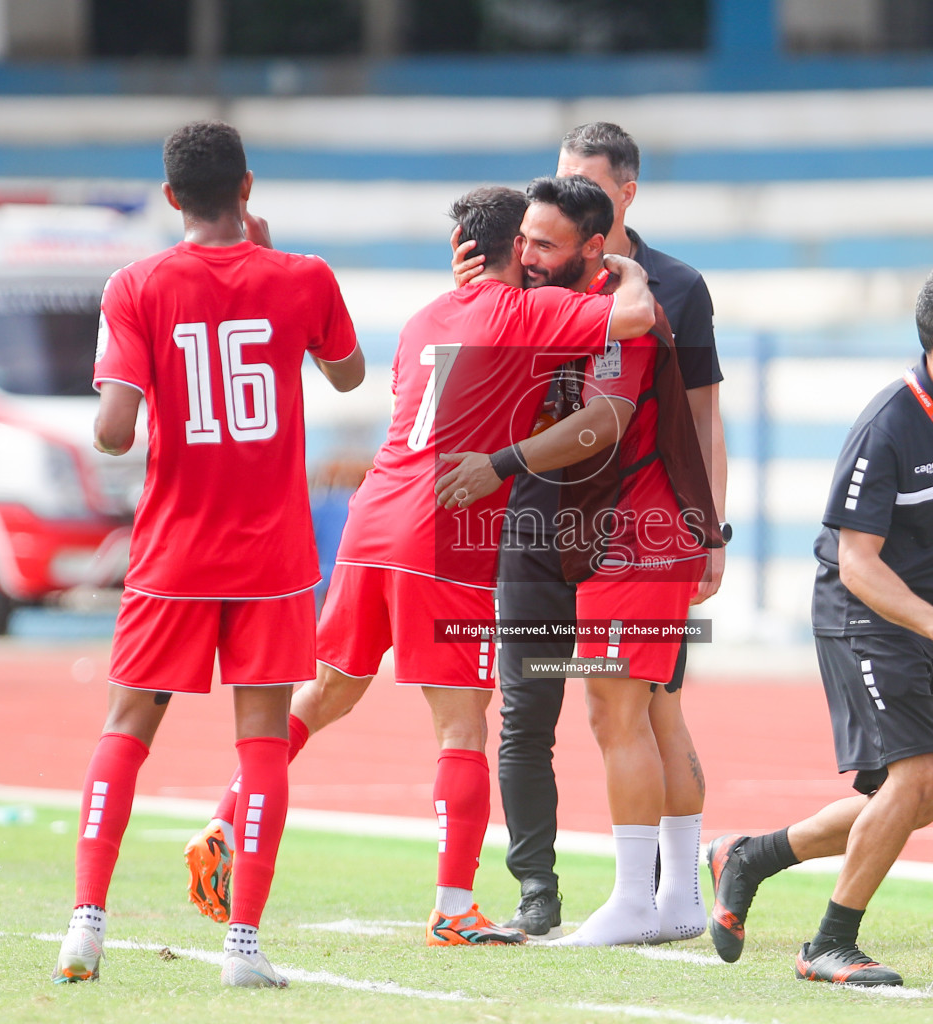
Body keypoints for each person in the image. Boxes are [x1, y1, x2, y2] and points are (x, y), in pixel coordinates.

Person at [183, 182, 658, 946]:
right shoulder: (527, 310)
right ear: (512, 249)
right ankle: (452, 903)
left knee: (329, 692)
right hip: (441, 533)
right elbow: (635, 315)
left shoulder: (422, 319)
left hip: (371, 520)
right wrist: (629, 268)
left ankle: (225, 817)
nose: (537, 257)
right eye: (530, 244)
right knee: (463, 726)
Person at [53, 120, 365, 989]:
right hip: (270, 557)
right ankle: (242, 947)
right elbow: (348, 375)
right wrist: (276, 270)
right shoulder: (304, 279)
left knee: (127, 731)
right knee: (262, 746)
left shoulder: (136, 285)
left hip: (172, 555)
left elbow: (115, 433)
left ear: (169, 199)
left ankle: (85, 922)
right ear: (248, 188)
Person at [704, 265, 933, 987]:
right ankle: (828, 944)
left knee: (920, 797)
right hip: (865, 612)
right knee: (915, 778)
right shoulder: (889, 428)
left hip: (928, 615)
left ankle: (750, 856)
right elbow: (856, 564)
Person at [453, 121, 727, 940]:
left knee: (628, 712)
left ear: (611, 215)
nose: (529, 250)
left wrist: (712, 525)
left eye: (547, 237)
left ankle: (643, 899)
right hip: (568, 531)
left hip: (632, 531)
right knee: (584, 713)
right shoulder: (545, 285)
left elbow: (651, 415)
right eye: (527, 235)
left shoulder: (645, 296)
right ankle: (660, 896)